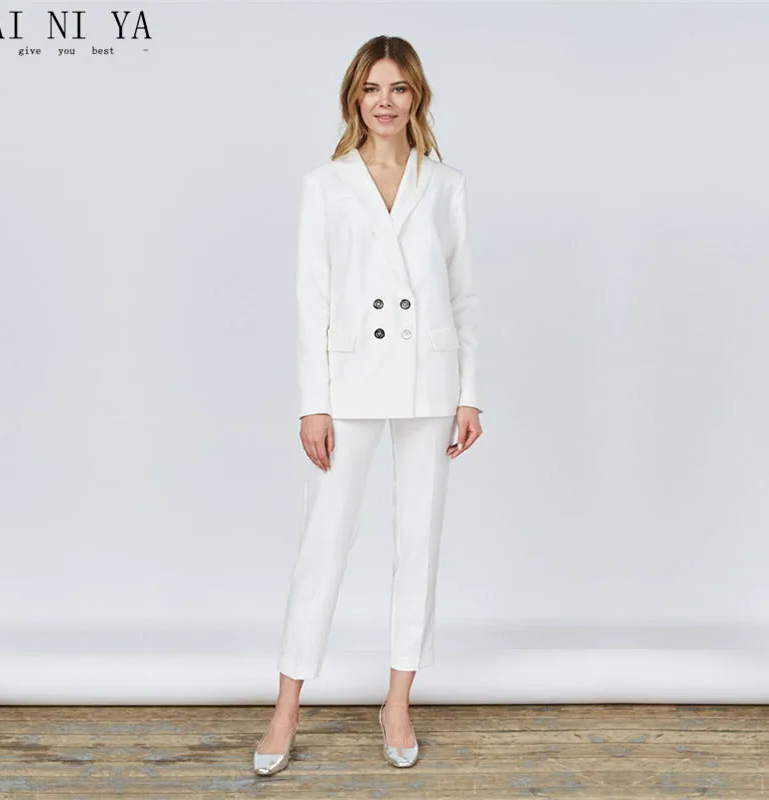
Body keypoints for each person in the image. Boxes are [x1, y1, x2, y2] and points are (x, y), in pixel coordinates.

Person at [253, 34, 483, 776]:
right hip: (350, 381)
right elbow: (311, 300)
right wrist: (312, 404)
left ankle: (398, 701)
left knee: (419, 540)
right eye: (372, 88)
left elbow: (463, 296)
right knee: (325, 541)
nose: (385, 102)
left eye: (399, 88)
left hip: (429, 377)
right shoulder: (326, 185)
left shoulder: (445, 184)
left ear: (417, 98)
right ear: (355, 96)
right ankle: (286, 708)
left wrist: (469, 394)